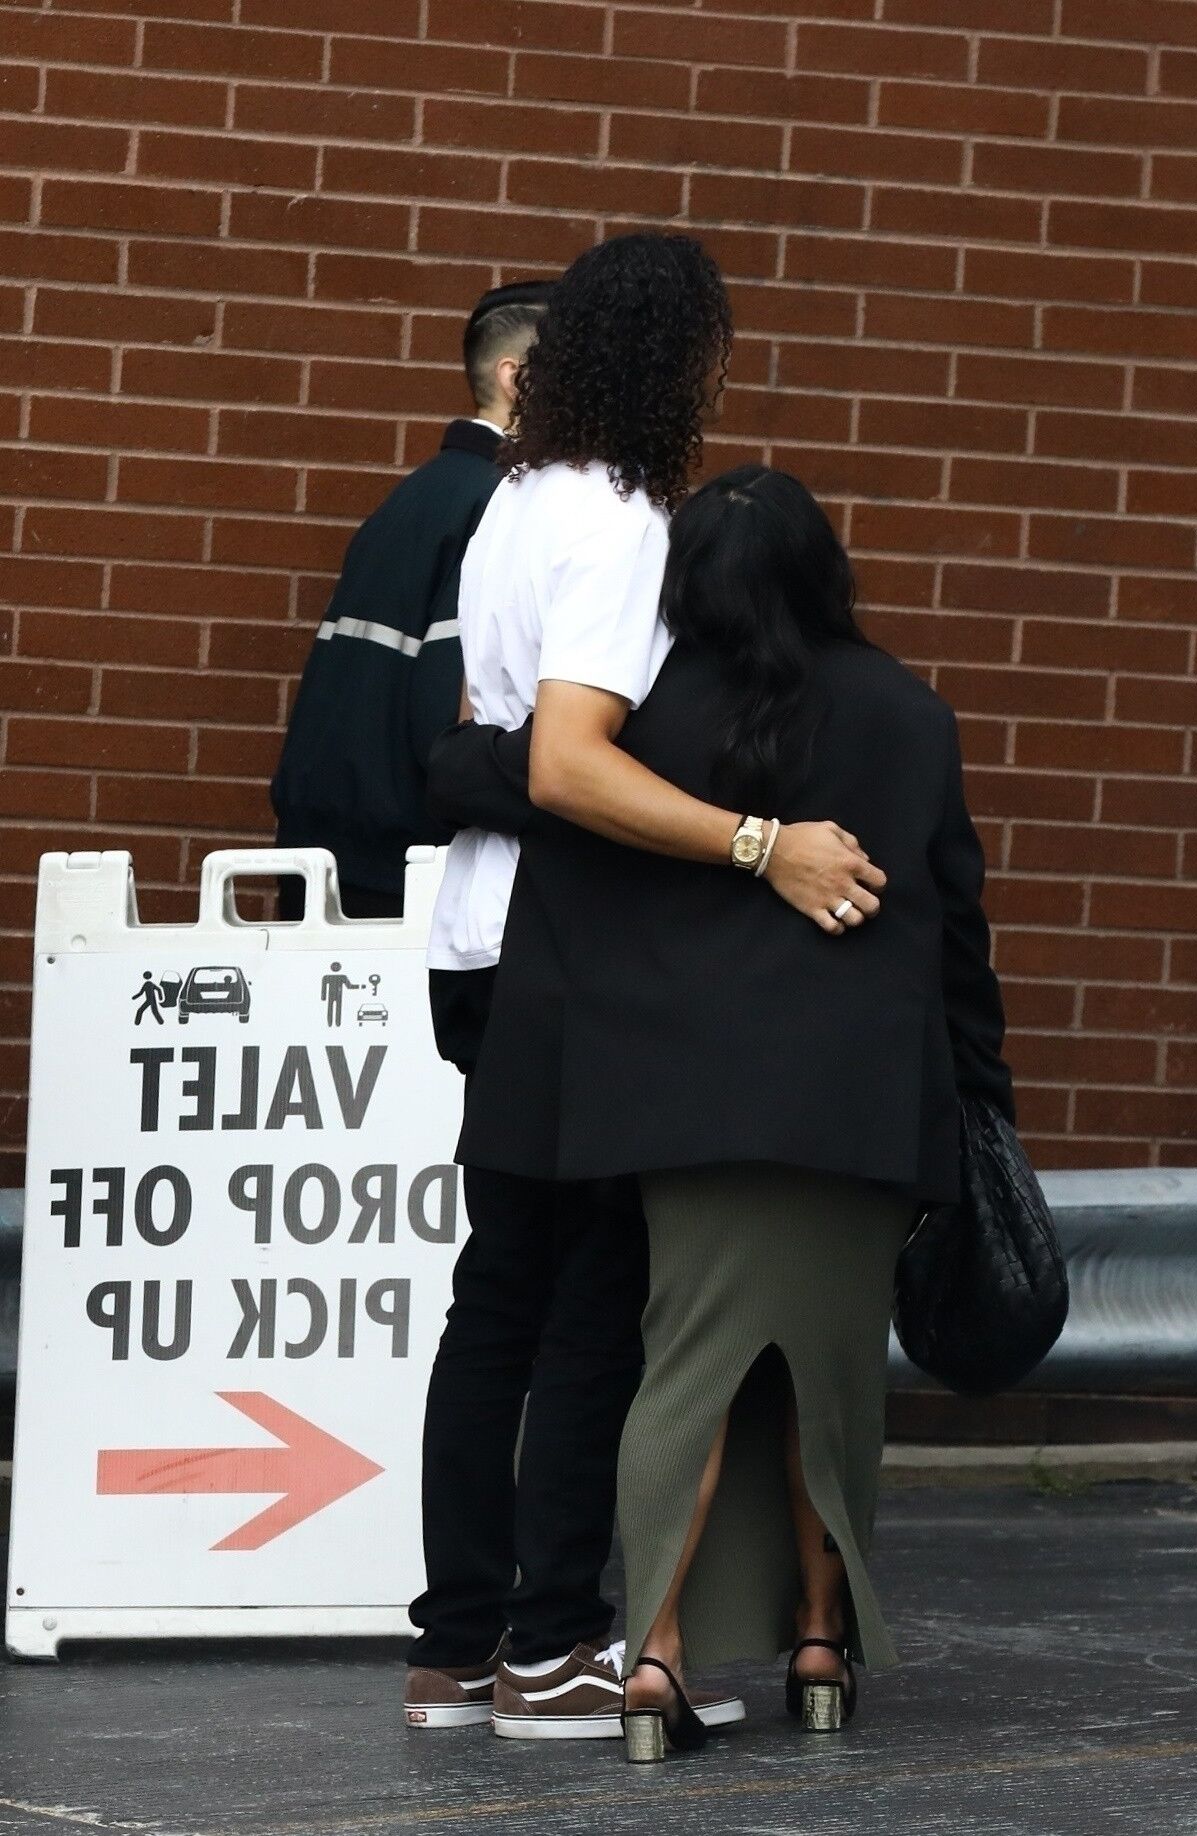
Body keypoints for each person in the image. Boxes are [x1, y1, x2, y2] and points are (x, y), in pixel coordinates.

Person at [438, 465, 1014, 1761]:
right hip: (856, 1117)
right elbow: (956, 933)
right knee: (830, 1384)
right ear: (827, 573)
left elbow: (546, 829)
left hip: (676, 1116)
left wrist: (460, 750)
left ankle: (652, 1661)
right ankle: (820, 1645)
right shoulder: (911, 714)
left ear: (681, 582)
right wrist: (980, 1101)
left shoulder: (645, 725)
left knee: (683, 1377)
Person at [407, 236, 885, 1745]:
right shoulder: (618, 523)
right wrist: (763, 845)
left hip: (487, 943)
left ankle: (459, 1649)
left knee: (499, 1301)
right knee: (591, 1304)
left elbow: (488, 739)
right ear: (680, 367)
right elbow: (567, 760)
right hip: (571, 959)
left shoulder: (512, 505)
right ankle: (552, 1649)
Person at [269, 280, 552, 921]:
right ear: (518, 380)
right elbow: (456, 724)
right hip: (407, 881)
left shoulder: (413, 496)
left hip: (330, 860)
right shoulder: (498, 507)